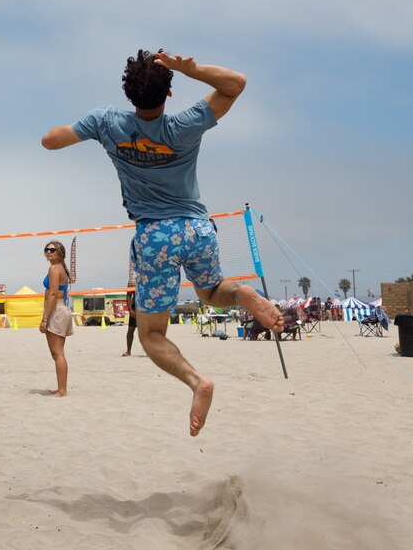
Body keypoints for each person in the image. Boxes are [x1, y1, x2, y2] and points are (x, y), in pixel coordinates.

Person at [42, 49, 282, 436]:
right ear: (169, 92)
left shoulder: (108, 122)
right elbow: (236, 84)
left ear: (128, 92)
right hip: (197, 227)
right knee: (214, 292)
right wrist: (191, 69)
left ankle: (196, 382)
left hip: (155, 235)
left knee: (151, 334)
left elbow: (49, 141)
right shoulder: (184, 124)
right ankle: (243, 295)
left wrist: (93, 128)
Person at [39, 240, 74, 396]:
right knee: (58, 353)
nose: (48, 252)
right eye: (46, 249)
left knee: (57, 353)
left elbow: (53, 294)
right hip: (61, 309)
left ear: (60, 253)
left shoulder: (54, 268)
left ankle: (62, 390)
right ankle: (61, 388)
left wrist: (45, 319)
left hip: (56, 310)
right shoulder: (62, 269)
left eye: (52, 250)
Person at [122, 287, 138, 357]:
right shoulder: (133, 282)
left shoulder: (149, 279)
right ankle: (128, 351)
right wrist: (130, 310)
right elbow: (128, 295)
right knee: (131, 329)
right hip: (135, 307)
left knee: (145, 331)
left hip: (146, 307)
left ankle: (148, 352)